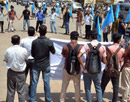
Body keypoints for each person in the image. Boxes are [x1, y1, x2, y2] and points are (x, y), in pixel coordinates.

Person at [28, 25, 55, 102]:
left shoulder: (34, 42)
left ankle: (32, 99)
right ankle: (48, 99)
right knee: (46, 83)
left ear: (39, 31)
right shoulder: (49, 42)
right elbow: (53, 52)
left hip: (36, 64)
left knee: (34, 82)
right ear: (46, 32)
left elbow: (32, 54)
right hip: (46, 64)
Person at [78, 30, 107, 102]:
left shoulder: (87, 45)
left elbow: (79, 56)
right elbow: (104, 61)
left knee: (87, 88)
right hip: (97, 70)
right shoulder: (102, 47)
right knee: (98, 88)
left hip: (87, 70)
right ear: (97, 36)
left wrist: (83, 66)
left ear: (90, 36)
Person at [101, 34, 125, 102]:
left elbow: (104, 59)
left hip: (107, 69)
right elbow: (123, 58)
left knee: (103, 85)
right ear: (119, 40)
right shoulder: (122, 50)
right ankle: (114, 100)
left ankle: (99, 99)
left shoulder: (108, 48)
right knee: (116, 86)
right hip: (117, 69)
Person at [60, 31, 82, 102]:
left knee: (64, 85)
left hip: (67, 67)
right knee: (77, 85)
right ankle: (77, 100)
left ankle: (62, 100)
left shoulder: (66, 47)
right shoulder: (80, 47)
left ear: (70, 37)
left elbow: (63, 55)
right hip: (77, 68)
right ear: (77, 38)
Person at [4, 35, 28, 102]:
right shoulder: (24, 50)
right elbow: (26, 59)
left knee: (10, 91)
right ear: (19, 41)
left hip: (11, 72)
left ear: (11, 41)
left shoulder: (8, 50)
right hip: (21, 73)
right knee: (21, 92)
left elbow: (6, 59)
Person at [20, 26, 37, 96]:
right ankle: (31, 92)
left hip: (25, 60)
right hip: (34, 60)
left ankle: (22, 91)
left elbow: (20, 49)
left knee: (24, 76)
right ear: (34, 33)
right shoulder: (36, 40)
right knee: (32, 77)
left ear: (27, 33)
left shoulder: (23, 40)